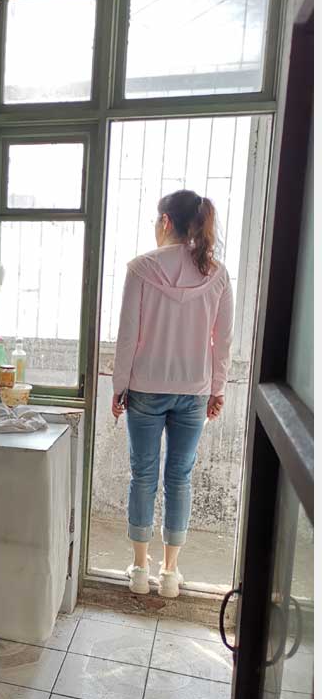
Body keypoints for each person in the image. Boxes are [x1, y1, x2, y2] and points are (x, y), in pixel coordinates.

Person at [111, 189, 234, 598]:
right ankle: (169, 573)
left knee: (143, 475)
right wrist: (217, 389)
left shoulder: (141, 268)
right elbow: (223, 341)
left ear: (165, 221)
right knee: (180, 478)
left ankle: (139, 569)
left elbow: (127, 335)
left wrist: (119, 387)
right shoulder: (217, 274)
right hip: (194, 390)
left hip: (145, 388)